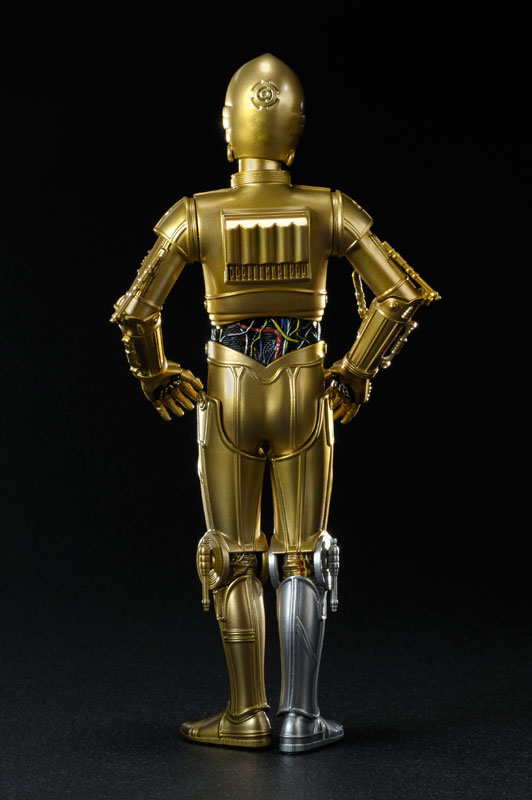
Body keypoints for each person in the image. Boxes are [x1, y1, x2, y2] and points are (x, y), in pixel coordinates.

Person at [111, 53, 439, 753]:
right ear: (296, 131)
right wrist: (355, 371)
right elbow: (402, 295)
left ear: (229, 128)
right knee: (302, 554)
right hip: (305, 384)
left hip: (228, 385)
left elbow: (136, 312)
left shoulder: (197, 214)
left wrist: (155, 374)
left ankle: (245, 714)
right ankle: (300, 717)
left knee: (232, 554)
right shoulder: (328, 209)